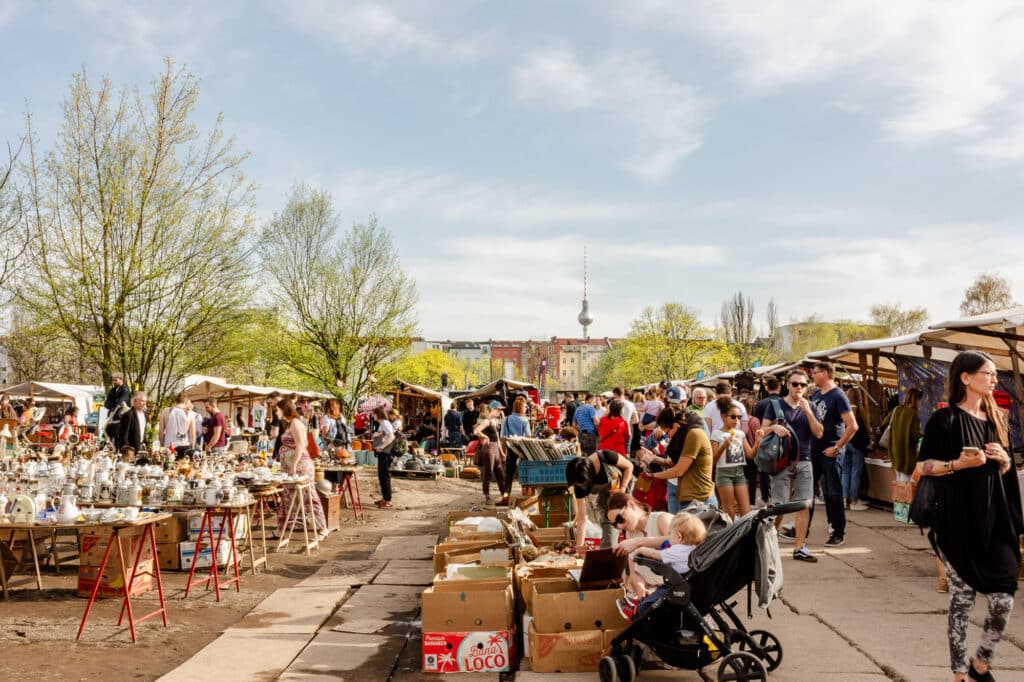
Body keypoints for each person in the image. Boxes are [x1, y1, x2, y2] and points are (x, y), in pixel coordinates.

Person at [916, 350, 1022, 682]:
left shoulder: (997, 419)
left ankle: (981, 662)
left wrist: (1004, 460)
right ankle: (960, 673)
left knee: (1003, 599)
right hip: (955, 523)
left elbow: (1004, 472)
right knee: (962, 597)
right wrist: (956, 465)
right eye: (987, 373)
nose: (994, 379)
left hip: (994, 521)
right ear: (966, 378)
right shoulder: (944, 420)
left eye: (994, 374)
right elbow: (921, 468)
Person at [761, 369, 823, 562]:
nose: (799, 388)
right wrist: (773, 428)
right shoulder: (775, 405)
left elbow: (819, 433)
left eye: (803, 385)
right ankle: (769, 543)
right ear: (787, 385)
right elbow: (761, 431)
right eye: (795, 384)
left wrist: (808, 412)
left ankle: (799, 547)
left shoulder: (811, 406)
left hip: (804, 460)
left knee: (804, 504)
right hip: (781, 461)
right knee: (779, 505)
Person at [617, 511, 708, 620]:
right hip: (691, 586)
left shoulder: (676, 551)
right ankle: (641, 604)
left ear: (679, 536)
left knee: (657, 597)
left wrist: (641, 549)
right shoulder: (697, 550)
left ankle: (636, 612)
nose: (667, 537)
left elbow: (654, 554)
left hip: (677, 587)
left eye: (669, 534)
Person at [809, 362, 857, 547]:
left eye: (815, 372)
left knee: (833, 493)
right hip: (814, 450)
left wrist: (837, 447)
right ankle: (802, 529)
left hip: (830, 451)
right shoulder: (815, 394)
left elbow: (853, 425)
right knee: (809, 491)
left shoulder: (838, 395)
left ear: (826, 374)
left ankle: (837, 531)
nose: (812, 375)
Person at [638, 409, 715, 513]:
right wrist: (654, 458)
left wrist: (652, 476)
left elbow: (679, 470)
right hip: (688, 497)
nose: (667, 436)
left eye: (667, 432)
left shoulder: (694, 434)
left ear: (675, 425)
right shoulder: (683, 435)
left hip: (699, 500)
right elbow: (673, 463)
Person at [275, 398, 329, 540]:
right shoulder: (289, 424)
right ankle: (280, 529)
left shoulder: (295, 423)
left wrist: (293, 464)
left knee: (308, 497)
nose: (275, 412)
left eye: (277, 409)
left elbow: (300, 445)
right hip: (291, 467)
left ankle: (322, 528)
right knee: (288, 497)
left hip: (300, 467)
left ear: (283, 409)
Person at [607, 492, 674, 597]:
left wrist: (638, 542)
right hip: (653, 592)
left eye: (620, 519)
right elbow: (634, 572)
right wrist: (641, 589)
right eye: (614, 524)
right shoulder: (631, 534)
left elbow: (676, 542)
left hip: (672, 588)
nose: (619, 526)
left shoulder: (661, 519)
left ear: (631, 505)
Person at [566, 450, 634, 550]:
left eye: (583, 483)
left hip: (626, 492)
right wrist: (579, 547)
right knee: (608, 544)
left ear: (589, 475)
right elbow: (582, 517)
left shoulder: (606, 456)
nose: (581, 486)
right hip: (608, 502)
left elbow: (629, 466)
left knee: (632, 536)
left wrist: (622, 489)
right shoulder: (579, 484)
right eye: (578, 484)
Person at [709, 397, 761, 519]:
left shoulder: (740, 434)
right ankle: (731, 536)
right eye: (733, 417)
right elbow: (713, 461)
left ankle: (743, 536)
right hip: (724, 473)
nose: (736, 420)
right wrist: (724, 446)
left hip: (739, 473)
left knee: (746, 512)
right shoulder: (716, 434)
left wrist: (758, 442)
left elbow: (750, 455)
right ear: (723, 417)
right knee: (729, 512)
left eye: (739, 417)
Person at [842, 387, 872, 511]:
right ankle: (854, 501)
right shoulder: (861, 411)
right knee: (855, 473)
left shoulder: (844, 410)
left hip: (844, 444)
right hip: (857, 445)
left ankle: (844, 500)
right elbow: (865, 430)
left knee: (845, 472)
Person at [884, 388, 922, 482]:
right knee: (905, 486)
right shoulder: (913, 414)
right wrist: (923, 435)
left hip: (895, 453)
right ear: (916, 400)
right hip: (907, 456)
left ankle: (897, 497)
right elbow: (915, 436)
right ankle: (899, 497)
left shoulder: (896, 409)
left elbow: (883, 424)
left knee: (899, 483)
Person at [500, 396, 531, 501]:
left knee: (509, 473)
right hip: (523, 449)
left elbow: (503, 437)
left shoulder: (507, 419)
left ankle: (505, 495)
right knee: (526, 470)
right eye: (525, 406)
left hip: (511, 448)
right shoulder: (525, 420)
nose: (526, 408)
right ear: (521, 408)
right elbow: (528, 436)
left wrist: (503, 451)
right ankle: (527, 493)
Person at [473, 403, 505, 504]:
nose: (499, 412)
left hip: (495, 447)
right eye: (497, 410)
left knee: (500, 473)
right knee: (488, 472)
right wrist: (485, 437)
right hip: (488, 448)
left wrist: (501, 452)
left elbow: (498, 439)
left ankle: (504, 495)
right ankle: (487, 496)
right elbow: (476, 431)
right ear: (492, 410)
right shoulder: (486, 421)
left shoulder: (494, 421)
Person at [370, 406, 396, 508]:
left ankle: (387, 500)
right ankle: (385, 497)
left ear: (378, 414)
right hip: (382, 453)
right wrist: (376, 435)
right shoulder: (382, 424)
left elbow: (391, 436)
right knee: (382, 476)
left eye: (374, 414)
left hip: (385, 453)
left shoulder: (385, 423)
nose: (373, 416)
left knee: (384, 476)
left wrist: (382, 446)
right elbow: (384, 435)